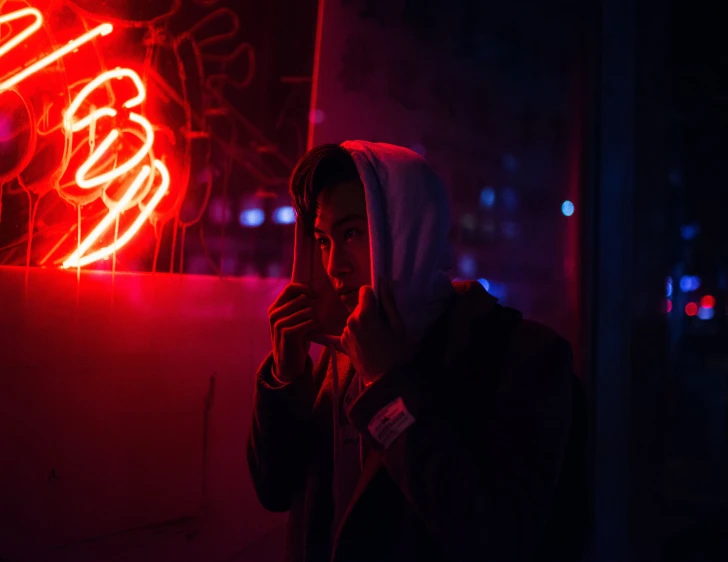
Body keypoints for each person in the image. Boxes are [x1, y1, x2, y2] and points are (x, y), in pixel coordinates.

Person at [247, 141, 587, 562]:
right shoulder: (338, 354)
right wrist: (286, 375)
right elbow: (275, 490)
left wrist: (386, 384)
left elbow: (495, 538)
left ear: (411, 233)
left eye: (352, 233)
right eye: (322, 239)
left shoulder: (523, 357)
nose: (334, 265)